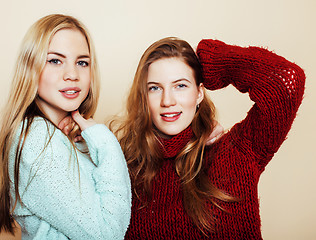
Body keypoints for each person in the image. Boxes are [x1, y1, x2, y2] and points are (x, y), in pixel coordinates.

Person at [109, 37, 305, 239]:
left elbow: (287, 80)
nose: (167, 101)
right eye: (154, 88)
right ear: (143, 97)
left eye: (181, 86)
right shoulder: (123, 170)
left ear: (199, 93)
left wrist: (214, 61)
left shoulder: (237, 151)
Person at [0, 14, 131, 240]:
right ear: (30, 67)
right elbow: (107, 234)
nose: (72, 75)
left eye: (82, 62)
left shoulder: (60, 136)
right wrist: (105, 141)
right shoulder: (36, 141)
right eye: (54, 60)